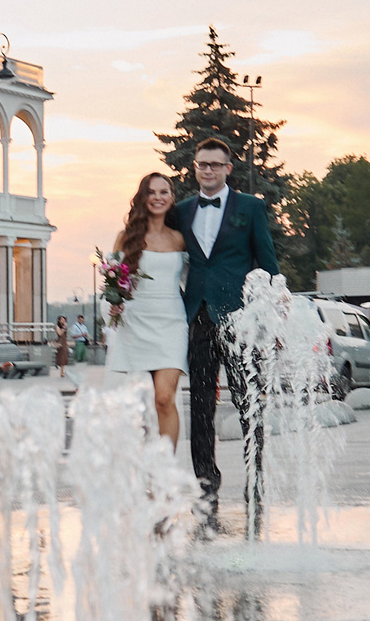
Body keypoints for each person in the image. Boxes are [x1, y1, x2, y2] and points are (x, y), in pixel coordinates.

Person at [174, 136, 281, 517]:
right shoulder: (182, 211)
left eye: (215, 165)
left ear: (228, 169)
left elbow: (267, 261)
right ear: (195, 167)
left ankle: (255, 478)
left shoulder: (250, 207)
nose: (208, 170)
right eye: (202, 164)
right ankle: (206, 483)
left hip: (240, 320)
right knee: (200, 407)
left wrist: (275, 306)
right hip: (198, 318)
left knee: (247, 402)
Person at [104, 172, 190, 445]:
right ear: (142, 198)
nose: (158, 197)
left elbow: (190, 280)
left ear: (172, 197)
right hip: (136, 323)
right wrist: (114, 304)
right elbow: (112, 281)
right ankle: (144, 462)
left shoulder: (179, 239)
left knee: (164, 397)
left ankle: (165, 467)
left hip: (171, 324)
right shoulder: (125, 238)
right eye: (151, 192)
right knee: (140, 405)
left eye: (164, 192)